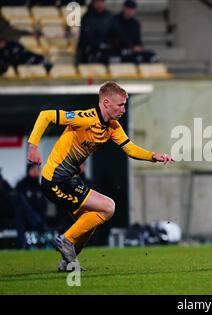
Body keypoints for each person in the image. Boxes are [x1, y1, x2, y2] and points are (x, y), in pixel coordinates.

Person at [27, 81, 174, 271]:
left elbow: (129, 149)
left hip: (70, 180)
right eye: (120, 104)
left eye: (124, 105)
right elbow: (45, 115)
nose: (123, 109)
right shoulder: (85, 118)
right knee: (108, 207)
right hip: (55, 181)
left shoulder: (113, 127)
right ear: (105, 103)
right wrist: (33, 146)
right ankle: (66, 240)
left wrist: (154, 156)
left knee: (89, 224)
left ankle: (68, 262)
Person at [76, 0, 114, 65]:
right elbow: (86, 36)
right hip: (88, 50)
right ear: (94, 3)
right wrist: (100, 44)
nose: (100, 4)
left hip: (106, 50)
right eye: (98, 2)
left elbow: (115, 32)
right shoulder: (87, 17)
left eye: (102, 2)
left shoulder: (109, 16)